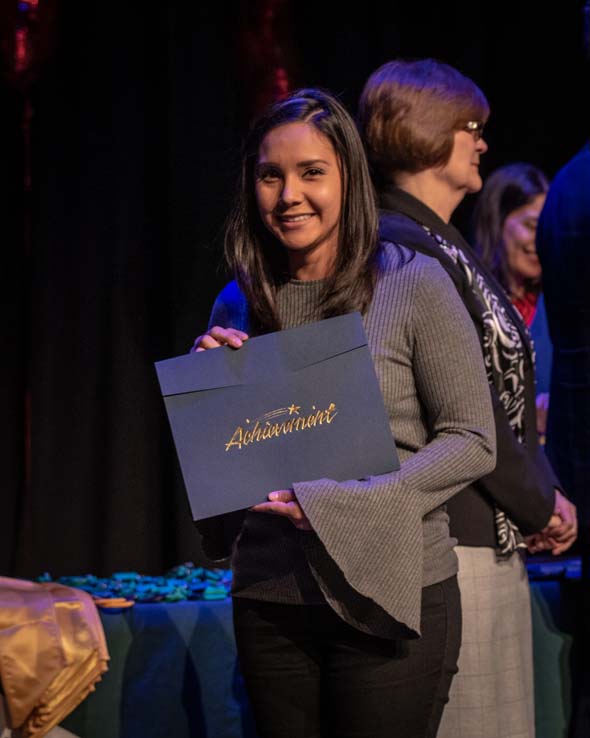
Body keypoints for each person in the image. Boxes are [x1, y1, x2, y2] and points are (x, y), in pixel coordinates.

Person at [193, 88, 497, 738]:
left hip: (389, 591)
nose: (288, 194)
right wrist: (207, 400)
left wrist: (346, 506)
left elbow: (472, 439)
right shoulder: (236, 301)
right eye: (271, 174)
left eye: (311, 173)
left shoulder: (411, 281)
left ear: (348, 179)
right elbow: (234, 482)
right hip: (272, 598)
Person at [358, 59, 577, 738]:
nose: (483, 142)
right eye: (471, 128)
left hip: (492, 532)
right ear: (427, 134)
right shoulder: (401, 249)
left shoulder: (443, 244)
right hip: (457, 538)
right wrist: (540, 502)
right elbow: (466, 404)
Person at [472, 163, 552, 440]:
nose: (540, 239)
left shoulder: (557, 303)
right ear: (498, 221)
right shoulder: (471, 303)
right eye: (531, 225)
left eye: (547, 227)